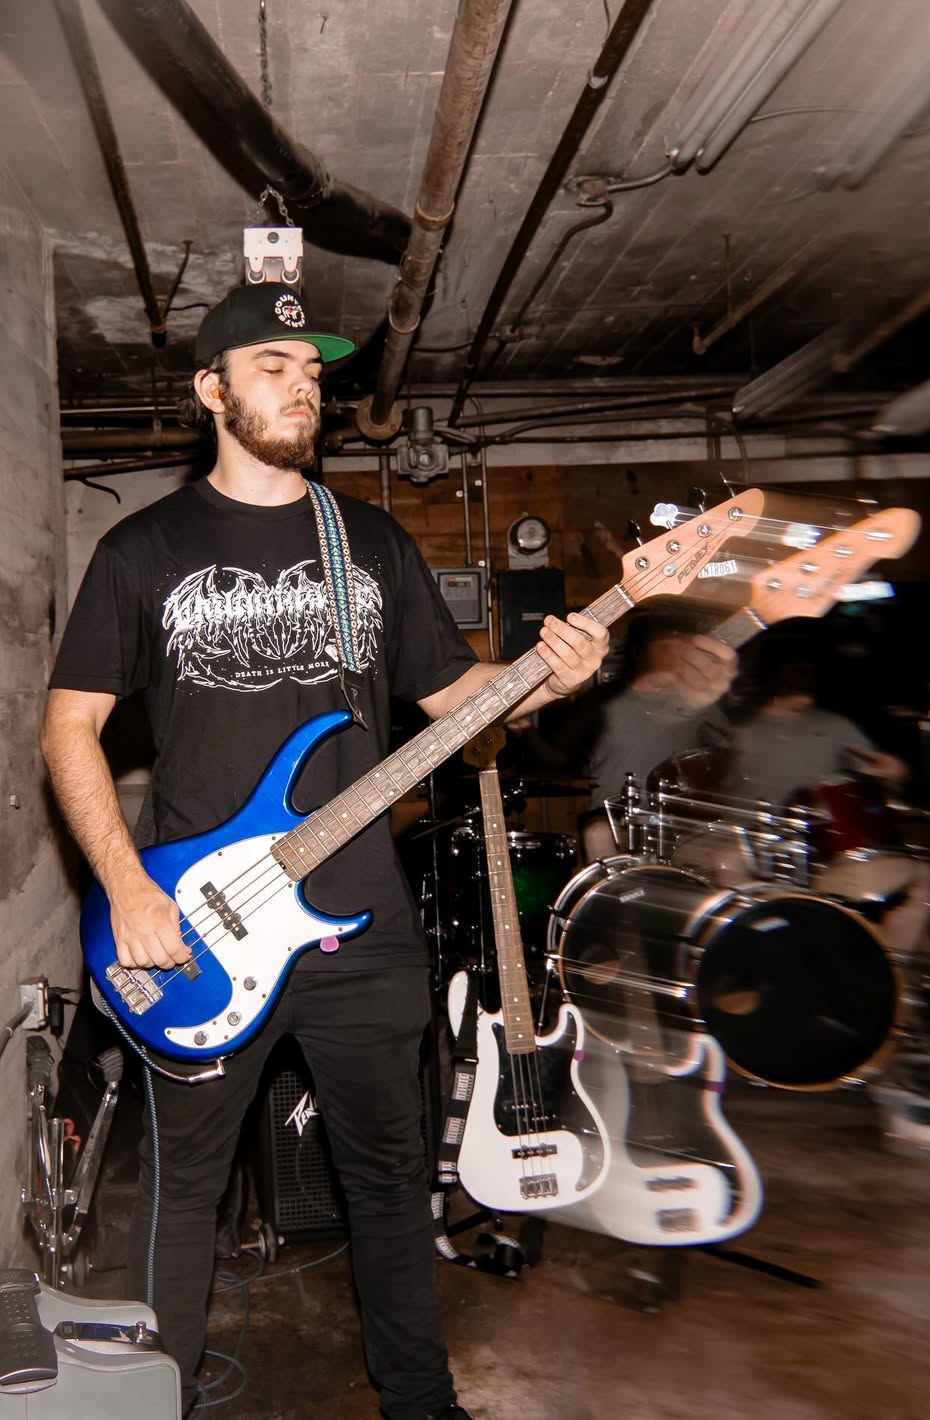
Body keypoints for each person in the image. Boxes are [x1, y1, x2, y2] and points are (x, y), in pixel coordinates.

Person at [39, 282, 608, 1420]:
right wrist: (127, 887)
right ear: (212, 391)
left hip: (364, 926)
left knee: (389, 1182)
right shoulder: (143, 547)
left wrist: (550, 680)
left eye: (312, 371)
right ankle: (157, 1401)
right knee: (184, 1193)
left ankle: (421, 1402)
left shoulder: (373, 544)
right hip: (197, 926)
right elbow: (68, 728)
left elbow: (459, 703)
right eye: (274, 367)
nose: (305, 386)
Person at [577, 611, 738, 860]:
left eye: (680, 649)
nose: (674, 657)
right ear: (638, 653)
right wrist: (529, 733)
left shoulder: (698, 702)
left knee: (728, 854)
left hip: (677, 817)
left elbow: (729, 751)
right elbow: (560, 757)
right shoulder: (601, 701)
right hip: (613, 814)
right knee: (597, 834)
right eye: (665, 648)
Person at [728, 655, 906, 807]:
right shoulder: (736, 723)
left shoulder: (835, 726)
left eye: (813, 673)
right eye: (801, 671)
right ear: (773, 674)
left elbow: (880, 774)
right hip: (736, 831)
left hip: (807, 832)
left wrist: (893, 773)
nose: (809, 679)